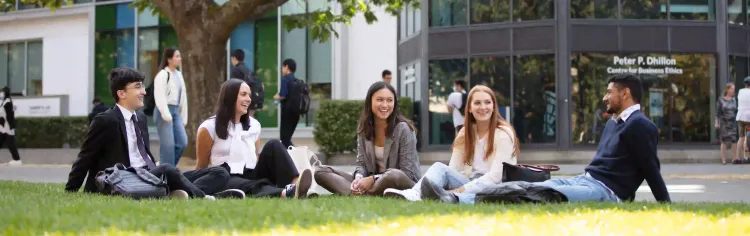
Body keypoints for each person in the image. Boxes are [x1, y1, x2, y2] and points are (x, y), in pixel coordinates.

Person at [480, 73, 670, 203]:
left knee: (545, 194)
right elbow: (616, 164)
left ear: (626, 93)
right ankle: (469, 196)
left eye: (609, 92)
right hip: (585, 179)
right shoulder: (614, 123)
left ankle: (478, 196)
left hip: (603, 191)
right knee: (538, 185)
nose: (605, 98)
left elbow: (650, 169)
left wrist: (666, 205)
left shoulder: (640, 125)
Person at [65, 67, 241, 200]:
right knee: (167, 168)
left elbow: (143, 155)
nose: (144, 92)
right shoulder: (106, 120)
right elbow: (85, 157)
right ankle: (205, 198)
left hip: (149, 175)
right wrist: (71, 190)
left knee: (219, 172)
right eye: (137, 87)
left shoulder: (140, 118)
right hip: (125, 179)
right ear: (121, 93)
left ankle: (173, 191)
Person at [384, 85, 519, 204]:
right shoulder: (465, 133)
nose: (483, 107)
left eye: (487, 102)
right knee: (440, 168)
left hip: (497, 186)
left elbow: (496, 176)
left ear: (493, 106)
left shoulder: (503, 133)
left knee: (477, 192)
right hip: (470, 181)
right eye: (477, 103)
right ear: (470, 108)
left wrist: (462, 189)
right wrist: (449, 185)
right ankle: (414, 194)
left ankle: (450, 197)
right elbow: (452, 170)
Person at [195, 78, 312, 199]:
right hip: (225, 177)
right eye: (243, 94)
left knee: (274, 144)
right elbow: (202, 165)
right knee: (250, 185)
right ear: (230, 96)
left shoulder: (254, 125)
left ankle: (296, 185)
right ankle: (286, 193)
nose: (249, 99)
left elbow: (256, 157)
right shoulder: (208, 127)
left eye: (249, 95)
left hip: (251, 173)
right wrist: (194, 188)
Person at [314, 82, 420, 196]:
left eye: (390, 100)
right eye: (380, 100)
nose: (385, 105)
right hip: (372, 181)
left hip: (399, 182)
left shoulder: (404, 129)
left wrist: (373, 179)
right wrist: (359, 178)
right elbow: (362, 164)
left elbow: (407, 173)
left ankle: (356, 193)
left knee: (393, 174)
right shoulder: (365, 128)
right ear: (370, 102)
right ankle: (358, 192)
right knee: (320, 171)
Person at [153, 47, 189, 166]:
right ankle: (167, 174)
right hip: (163, 111)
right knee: (168, 146)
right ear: (169, 59)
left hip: (175, 111)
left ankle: (164, 167)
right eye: (177, 56)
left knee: (182, 142)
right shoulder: (162, 75)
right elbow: (159, 96)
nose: (180, 59)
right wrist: (165, 113)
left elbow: (183, 97)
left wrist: (182, 115)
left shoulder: (179, 75)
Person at [274, 59, 300, 148]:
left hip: (287, 112)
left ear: (286, 67)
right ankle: (291, 157)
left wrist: (276, 97)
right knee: (287, 138)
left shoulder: (285, 79)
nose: (282, 69)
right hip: (296, 112)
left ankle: (296, 155)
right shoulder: (297, 80)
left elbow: (283, 95)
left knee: (284, 139)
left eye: (283, 67)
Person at [230, 49, 260, 117]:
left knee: (242, 122)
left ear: (234, 58)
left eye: (231, 58)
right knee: (249, 121)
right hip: (252, 100)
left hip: (242, 101)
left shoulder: (236, 69)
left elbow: (235, 87)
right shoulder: (247, 69)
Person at [716, 83, 738, 165]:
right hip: (724, 122)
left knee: (734, 140)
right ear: (727, 89)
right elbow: (717, 113)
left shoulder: (734, 99)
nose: (733, 91)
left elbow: (737, 111)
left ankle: (734, 158)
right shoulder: (721, 100)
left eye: (734, 89)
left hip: (733, 122)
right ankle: (724, 159)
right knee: (724, 141)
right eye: (732, 89)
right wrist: (716, 122)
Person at [0, 87, 21, 166]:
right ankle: (16, 159)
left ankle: (17, 159)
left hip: (8, 126)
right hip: (3, 126)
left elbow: (3, 113)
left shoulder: (7, 101)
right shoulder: (4, 101)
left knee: (10, 143)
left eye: (2, 92)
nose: (1, 94)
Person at [735, 77, 750, 164]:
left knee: (741, 137)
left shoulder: (740, 91)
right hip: (749, 117)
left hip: (740, 117)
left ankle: (738, 157)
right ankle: (747, 157)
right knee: (747, 138)